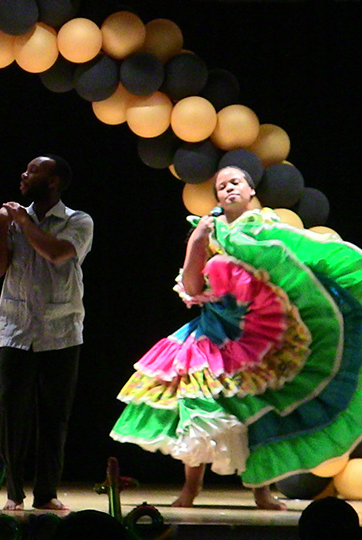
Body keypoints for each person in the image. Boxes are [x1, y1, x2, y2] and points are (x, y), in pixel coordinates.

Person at [110, 165, 362, 510]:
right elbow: (193, 286)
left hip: (259, 337)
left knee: (260, 409)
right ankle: (190, 490)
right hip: (212, 333)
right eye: (221, 186)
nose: (228, 189)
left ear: (250, 189)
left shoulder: (267, 228)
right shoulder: (208, 231)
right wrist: (198, 239)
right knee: (199, 406)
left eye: (235, 183)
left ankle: (262, 491)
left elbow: (301, 257)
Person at [0, 154, 93, 511]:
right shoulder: (12, 219)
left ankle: (46, 493)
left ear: (54, 182)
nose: (24, 173)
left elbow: (57, 253)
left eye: (33, 170)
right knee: (11, 412)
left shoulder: (78, 221)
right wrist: (2, 225)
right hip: (16, 328)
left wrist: (22, 221)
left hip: (61, 330)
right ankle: (14, 492)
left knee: (53, 415)